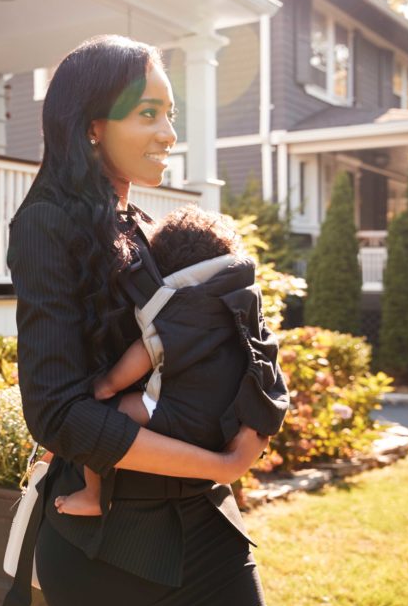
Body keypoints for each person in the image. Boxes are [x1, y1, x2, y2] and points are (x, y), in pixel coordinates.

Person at [4, 35, 289, 606]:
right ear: (93, 127)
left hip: (205, 533)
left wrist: (255, 419)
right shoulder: (46, 223)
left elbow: (230, 331)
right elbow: (57, 413)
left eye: (171, 113)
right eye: (148, 113)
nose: (169, 132)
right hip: (114, 553)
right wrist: (221, 462)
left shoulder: (141, 224)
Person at [53, 206, 276, 517]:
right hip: (231, 421)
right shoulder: (240, 303)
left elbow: (144, 353)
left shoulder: (176, 310)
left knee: (98, 421)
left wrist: (105, 386)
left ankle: (94, 494)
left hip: (180, 415)